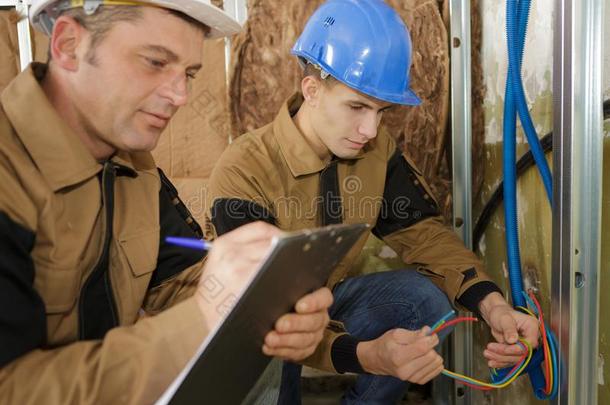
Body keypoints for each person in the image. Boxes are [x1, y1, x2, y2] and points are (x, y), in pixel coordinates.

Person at [204, 0, 541, 403]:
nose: (370, 129)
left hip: (324, 304)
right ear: (311, 90)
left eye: (381, 110)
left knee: (424, 301)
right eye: (357, 107)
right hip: (260, 325)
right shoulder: (244, 169)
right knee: (267, 361)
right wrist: (367, 355)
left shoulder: (376, 151)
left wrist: (492, 304)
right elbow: (262, 309)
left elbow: (424, 235)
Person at [0, 0, 333, 403]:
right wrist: (199, 322)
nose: (180, 95)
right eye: (156, 62)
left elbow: (180, 273)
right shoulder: (9, 175)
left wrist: (262, 304)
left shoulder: (134, 166)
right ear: (69, 44)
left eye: (189, 73)